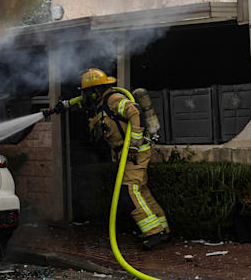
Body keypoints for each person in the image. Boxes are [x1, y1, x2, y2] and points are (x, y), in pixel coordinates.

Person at [46, 68, 169, 250]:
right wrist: (62, 106)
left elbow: (135, 112)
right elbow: (81, 102)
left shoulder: (113, 99)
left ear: (95, 91)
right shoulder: (100, 103)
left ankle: (154, 232)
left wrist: (134, 143)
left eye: (88, 92)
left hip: (134, 153)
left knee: (129, 191)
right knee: (140, 191)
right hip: (125, 153)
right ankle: (161, 228)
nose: (86, 96)